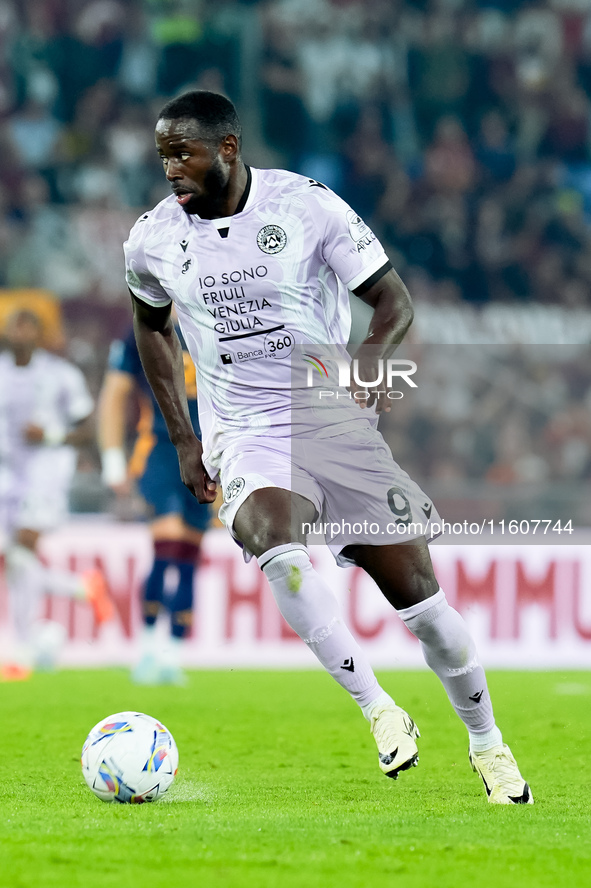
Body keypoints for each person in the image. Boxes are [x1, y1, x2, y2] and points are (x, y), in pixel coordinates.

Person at [124, 90, 533, 805]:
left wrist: (372, 362)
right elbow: (150, 328)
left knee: (422, 606)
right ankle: (378, 707)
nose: (170, 170)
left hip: (326, 417)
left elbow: (393, 300)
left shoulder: (305, 206)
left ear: (226, 148)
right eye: (162, 155)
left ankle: (487, 744)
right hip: (242, 429)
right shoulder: (152, 238)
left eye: (182, 153)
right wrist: (183, 437)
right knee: (274, 548)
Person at [0, 309, 113, 680]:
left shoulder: (60, 375)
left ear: (39, 333)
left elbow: (86, 428)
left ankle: (21, 652)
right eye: (15, 325)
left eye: (28, 326)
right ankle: (80, 587)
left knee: (21, 552)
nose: (21, 332)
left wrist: (48, 435)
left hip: (43, 473)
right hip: (5, 475)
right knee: (13, 559)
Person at [98, 320, 211, 685]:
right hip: (160, 450)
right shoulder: (141, 330)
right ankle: (147, 650)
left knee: (190, 558)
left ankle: (172, 657)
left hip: (212, 455)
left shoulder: (216, 323)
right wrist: (113, 459)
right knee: (167, 546)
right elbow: (114, 395)